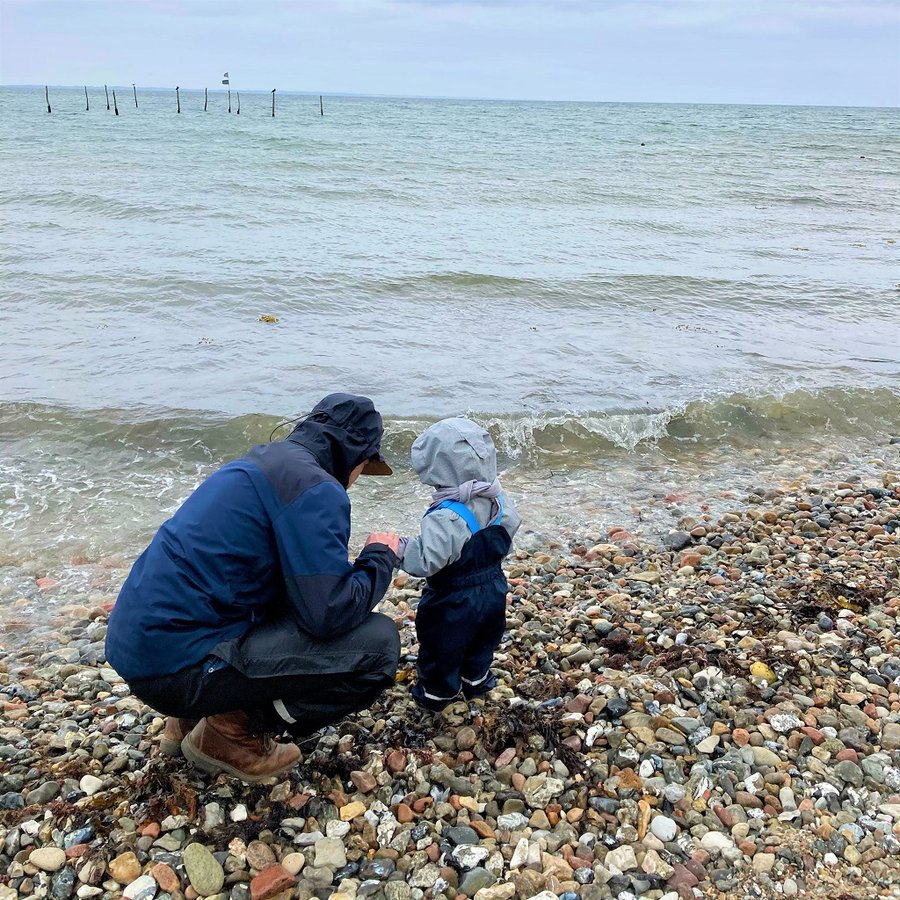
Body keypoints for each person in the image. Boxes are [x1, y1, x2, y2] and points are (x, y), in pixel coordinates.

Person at [105, 393, 402, 782]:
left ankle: (186, 721)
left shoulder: (261, 462)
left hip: (139, 647)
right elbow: (328, 614)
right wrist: (379, 556)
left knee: (264, 594)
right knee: (378, 647)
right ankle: (231, 732)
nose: (357, 479)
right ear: (355, 455)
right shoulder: (317, 488)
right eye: (364, 468)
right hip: (175, 669)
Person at [398, 418, 521, 711]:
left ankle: (437, 693)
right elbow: (509, 530)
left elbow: (427, 559)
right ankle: (476, 679)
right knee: (484, 638)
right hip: (493, 588)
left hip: (451, 600)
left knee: (443, 645)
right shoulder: (499, 500)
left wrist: (399, 549)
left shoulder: (446, 516)